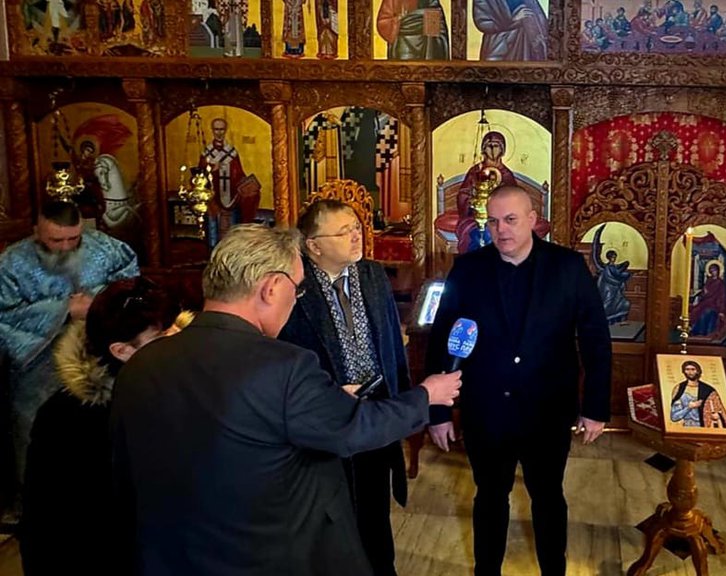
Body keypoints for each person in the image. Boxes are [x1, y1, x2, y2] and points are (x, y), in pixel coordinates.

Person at [110, 224, 461, 576]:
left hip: (170, 556)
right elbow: (353, 429)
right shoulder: (284, 367)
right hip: (267, 555)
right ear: (272, 287)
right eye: (298, 288)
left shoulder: (142, 364)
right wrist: (426, 396)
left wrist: (322, 402)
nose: (296, 300)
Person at [427, 186, 612, 576]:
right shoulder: (468, 269)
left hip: (547, 410)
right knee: (489, 497)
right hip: (486, 410)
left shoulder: (567, 267)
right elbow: (444, 339)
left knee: (548, 497)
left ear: (533, 220)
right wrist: (438, 412)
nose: (501, 230)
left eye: (510, 220)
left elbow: (595, 338)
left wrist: (595, 408)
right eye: (493, 221)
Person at [19, 277, 189, 576]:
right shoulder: (66, 420)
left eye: (178, 329)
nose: (181, 343)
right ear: (122, 350)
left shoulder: (195, 389)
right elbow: (43, 521)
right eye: (163, 336)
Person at [278, 199, 411, 576]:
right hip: (325, 422)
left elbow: (391, 342)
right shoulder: (294, 286)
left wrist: (404, 406)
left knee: (375, 512)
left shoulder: (372, 274)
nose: (356, 236)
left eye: (356, 227)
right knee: (334, 517)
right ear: (313, 245)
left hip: (376, 412)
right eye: (343, 231)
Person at [0, 201, 138, 496]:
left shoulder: (108, 249)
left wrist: (96, 304)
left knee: (98, 431)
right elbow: (5, 315)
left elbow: (130, 286)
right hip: (39, 364)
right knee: (36, 432)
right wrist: (63, 309)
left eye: (73, 238)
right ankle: (35, 502)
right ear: (37, 231)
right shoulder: (12, 263)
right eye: (55, 240)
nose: (65, 247)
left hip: (98, 357)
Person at [198, 117, 253, 247]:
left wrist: (246, 185)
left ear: (225, 130)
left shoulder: (231, 152)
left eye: (222, 129)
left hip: (230, 196)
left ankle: (231, 250)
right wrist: (212, 169)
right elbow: (200, 176)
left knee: (231, 229)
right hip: (213, 197)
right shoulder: (207, 152)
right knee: (213, 227)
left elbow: (239, 173)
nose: (219, 132)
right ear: (212, 130)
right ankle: (213, 251)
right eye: (216, 129)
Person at [473, 0, 549, 61]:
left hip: (525, 46)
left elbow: (539, 17)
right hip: (499, 46)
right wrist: (512, 20)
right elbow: (483, 23)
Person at [376, 0, 451, 60]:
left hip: (428, 43)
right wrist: (399, 21)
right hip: (404, 44)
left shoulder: (431, 1)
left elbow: (437, 20)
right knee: (403, 71)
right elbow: (383, 22)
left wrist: (423, 18)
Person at [591, 223, 632, 324]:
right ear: (609, 257)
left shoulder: (614, 267)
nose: (613, 259)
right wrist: (626, 275)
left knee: (624, 303)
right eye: (612, 257)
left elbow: (621, 269)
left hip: (616, 292)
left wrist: (625, 267)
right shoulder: (606, 268)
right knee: (607, 305)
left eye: (614, 257)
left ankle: (620, 320)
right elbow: (616, 275)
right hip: (608, 290)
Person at [668, 360, 726, 428]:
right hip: (687, 426)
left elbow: (720, 411)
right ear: (683, 371)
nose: (690, 372)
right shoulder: (679, 389)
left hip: (705, 426)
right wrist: (689, 407)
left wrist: (718, 416)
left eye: (693, 369)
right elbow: (674, 417)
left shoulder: (708, 390)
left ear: (698, 371)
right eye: (687, 369)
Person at [690, 262, 726, 336]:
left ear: (718, 271)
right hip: (705, 302)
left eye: (715, 270)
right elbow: (703, 292)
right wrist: (704, 293)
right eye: (712, 271)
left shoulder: (720, 283)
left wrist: (721, 310)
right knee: (695, 310)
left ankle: (703, 332)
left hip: (714, 304)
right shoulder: (708, 281)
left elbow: (722, 297)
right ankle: (694, 330)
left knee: (706, 313)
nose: (713, 272)